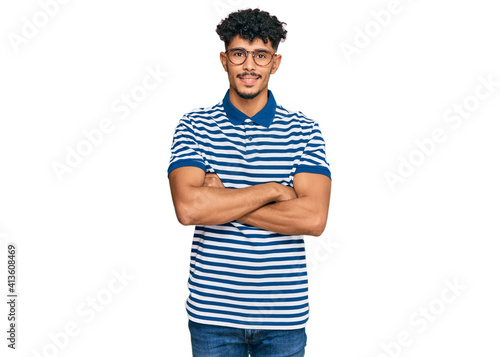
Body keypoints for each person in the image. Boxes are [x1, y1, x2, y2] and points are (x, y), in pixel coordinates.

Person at [168, 8, 331, 357]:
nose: (249, 66)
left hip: (283, 318)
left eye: (261, 55)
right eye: (240, 54)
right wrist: (274, 191)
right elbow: (189, 207)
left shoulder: (304, 130)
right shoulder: (195, 126)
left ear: (276, 62)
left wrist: (223, 199)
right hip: (213, 315)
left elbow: (313, 218)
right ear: (224, 60)